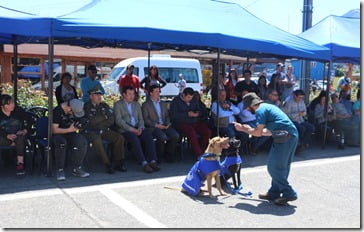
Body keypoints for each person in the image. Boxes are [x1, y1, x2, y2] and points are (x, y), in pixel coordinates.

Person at [234, 92, 298, 205]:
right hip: (289, 136)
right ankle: (274, 192)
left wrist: (244, 129)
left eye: (247, 108)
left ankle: (289, 193)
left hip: (284, 138)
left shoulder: (260, 111)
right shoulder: (268, 107)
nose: (247, 111)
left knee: (273, 167)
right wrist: (248, 129)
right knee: (281, 166)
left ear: (251, 105)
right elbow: (267, 132)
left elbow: (258, 133)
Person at [114, 86, 160, 173]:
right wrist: (132, 130)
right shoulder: (118, 105)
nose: (132, 96)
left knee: (148, 137)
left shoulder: (136, 104)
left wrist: (140, 128)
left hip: (137, 127)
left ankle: (153, 161)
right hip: (125, 129)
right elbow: (119, 121)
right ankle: (144, 162)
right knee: (134, 139)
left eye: (133, 94)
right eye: (129, 94)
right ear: (124, 95)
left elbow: (141, 119)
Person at [83, 86, 127, 174]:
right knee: (97, 140)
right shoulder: (87, 106)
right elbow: (91, 121)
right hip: (92, 132)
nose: (99, 97)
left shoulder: (104, 105)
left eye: (100, 94)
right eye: (96, 95)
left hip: (103, 130)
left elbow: (111, 119)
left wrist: (100, 121)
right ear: (91, 96)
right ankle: (107, 164)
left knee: (119, 138)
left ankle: (119, 163)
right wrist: (104, 117)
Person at [52, 99, 90, 181]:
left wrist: (81, 124)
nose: (73, 114)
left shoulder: (74, 108)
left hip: (70, 133)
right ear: (69, 108)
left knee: (82, 141)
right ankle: (60, 169)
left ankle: (77, 168)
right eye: (73, 112)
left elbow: (78, 121)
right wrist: (69, 130)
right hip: (59, 134)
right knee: (61, 143)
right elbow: (54, 130)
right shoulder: (57, 111)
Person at [169, 87, 211, 158]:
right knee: (191, 133)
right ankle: (199, 154)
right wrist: (187, 114)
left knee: (207, 131)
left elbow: (200, 110)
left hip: (195, 122)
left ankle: (202, 149)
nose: (190, 99)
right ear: (183, 95)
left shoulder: (194, 100)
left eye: (191, 97)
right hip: (181, 123)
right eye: (188, 97)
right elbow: (173, 115)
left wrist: (197, 113)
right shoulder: (176, 101)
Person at [142, 85, 180, 162]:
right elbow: (145, 119)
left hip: (164, 125)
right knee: (162, 137)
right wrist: (156, 125)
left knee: (175, 135)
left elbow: (167, 115)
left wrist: (167, 123)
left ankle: (169, 154)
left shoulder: (163, 103)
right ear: (151, 93)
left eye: (159, 91)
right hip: (153, 127)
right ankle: (159, 155)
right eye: (156, 91)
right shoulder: (146, 104)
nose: (158, 93)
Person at [0, 95, 28, 175]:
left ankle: (20, 164)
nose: (12, 105)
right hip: (3, 137)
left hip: (17, 135)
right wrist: (6, 135)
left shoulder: (18, 111)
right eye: (8, 104)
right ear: (2, 106)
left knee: (20, 138)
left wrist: (24, 130)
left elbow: (29, 120)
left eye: (12, 103)